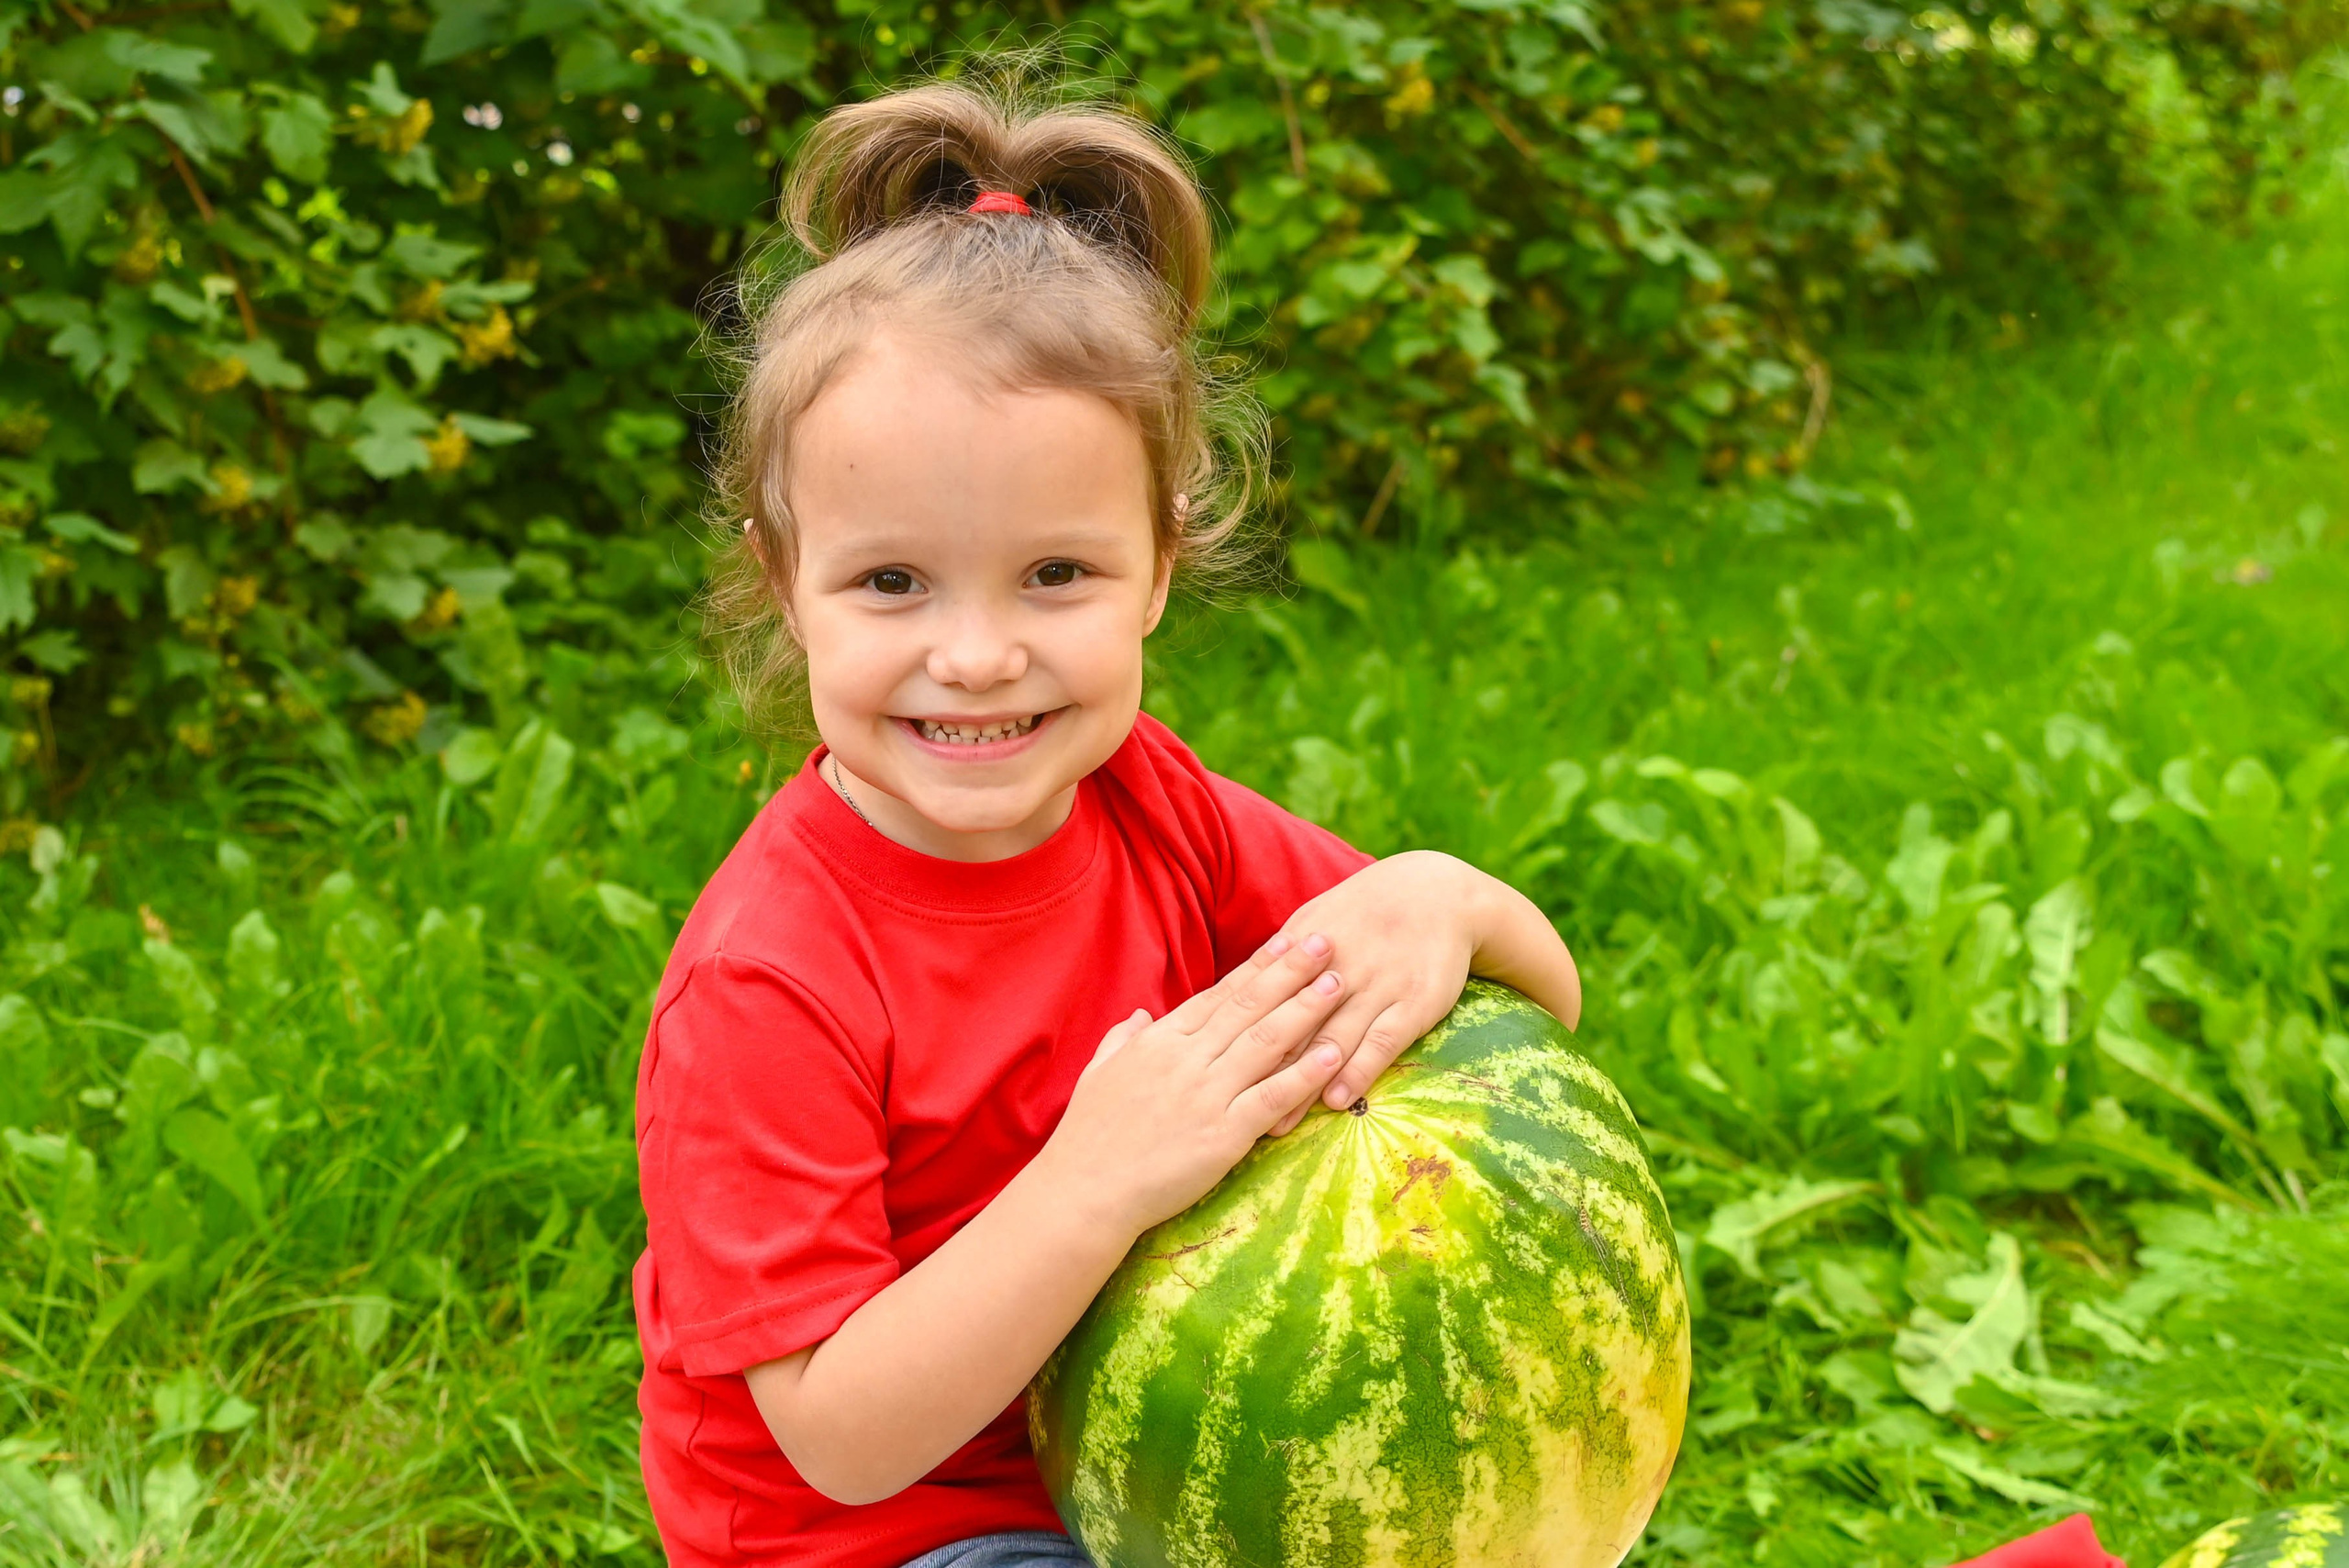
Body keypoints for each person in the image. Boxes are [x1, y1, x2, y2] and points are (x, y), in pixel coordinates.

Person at [632, 71, 1585, 1568]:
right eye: (893, 582)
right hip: (887, 1539)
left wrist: (1440, 895)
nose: (976, 655)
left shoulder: (1158, 806)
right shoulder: (770, 976)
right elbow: (839, 1433)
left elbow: (1535, 1012)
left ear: (1158, 566)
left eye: (1054, 574)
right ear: (786, 581)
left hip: (1144, 1473)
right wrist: (1096, 1180)